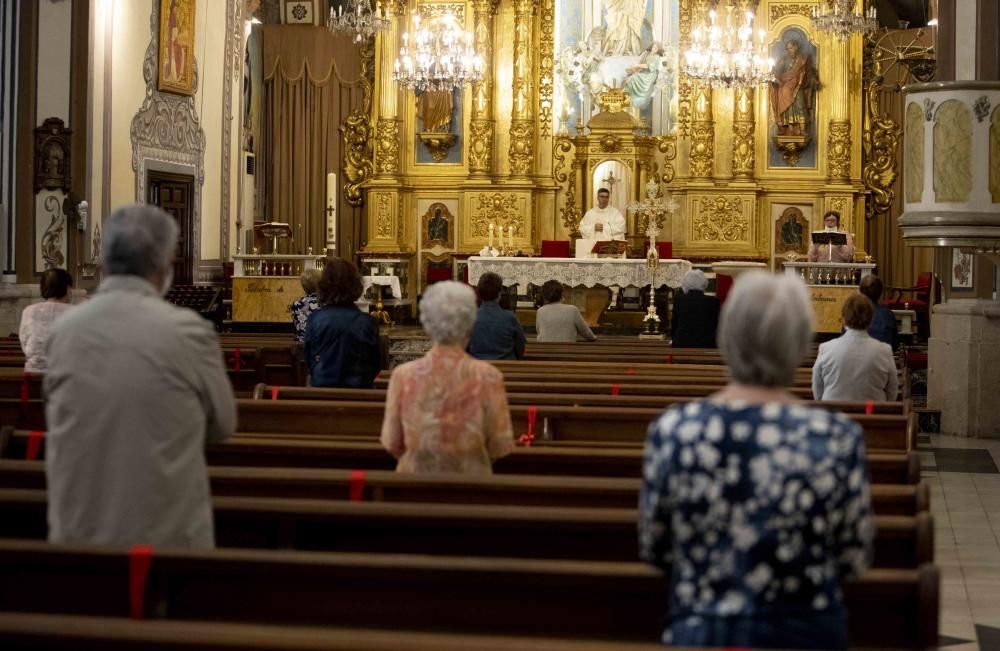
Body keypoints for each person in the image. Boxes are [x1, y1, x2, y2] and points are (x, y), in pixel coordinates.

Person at [640, 271, 874, 650]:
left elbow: (656, 548)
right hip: (804, 632)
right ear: (799, 344)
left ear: (726, 338)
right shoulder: (836, 438)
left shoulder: (675, 431)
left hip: (705, 629)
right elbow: (853, 556)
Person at [44, 203, 237, 549]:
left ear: (103, 264)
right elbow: (222, 424)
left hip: (77, 537)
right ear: (164, 267)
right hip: (167, 537)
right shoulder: (189, 332)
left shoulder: (65, 332)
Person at [381, 281, 515, 473]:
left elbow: (392, 443)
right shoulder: (489, 377)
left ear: (427, 327)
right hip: (472, 489)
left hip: (413, 490)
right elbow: (499, 446)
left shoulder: (403, 376)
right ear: (470, 325)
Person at [304, 258, 381, 388]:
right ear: (356, 285)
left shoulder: (315, 319)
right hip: (359, 396)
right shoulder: (367, 322)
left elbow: (310, 362)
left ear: (323, 285)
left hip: (321, 395)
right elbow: (375, 366)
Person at [813, 293, 898, 402]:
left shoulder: (825, 348)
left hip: (833, 414)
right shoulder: (885, 351)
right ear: (871, 320)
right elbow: (892, 390)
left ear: (843, 319)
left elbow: (818, 390)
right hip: (873, 415)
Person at [19, 268, 74, 374]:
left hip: (33, 373)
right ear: (67, 289)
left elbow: (25, 342)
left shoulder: (29, 311)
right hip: (64, 375)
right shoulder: (76, 312)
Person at [467, 272, 526, 360]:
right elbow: (520, 345)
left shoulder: (470, 317)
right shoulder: (510, 317)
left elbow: (464, 346)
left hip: (478, 367)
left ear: (479, 292)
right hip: (507, 368)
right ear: (499, 294)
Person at [769, 35, 818, 137]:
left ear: (796, 47)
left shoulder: (803, 59)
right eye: (787, 49)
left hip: (798, 87)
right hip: (785, 88)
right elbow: (775, 72)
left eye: (791, 48)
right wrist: (775, 79)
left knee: (800, 106)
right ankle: (790, 129)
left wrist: (813, 79)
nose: (789, 50)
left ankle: (802, 129)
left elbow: (809, 72)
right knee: (788, 109)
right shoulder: (784, 60)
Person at [670, 269, 720, 349]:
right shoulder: (713, 301)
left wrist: (674, 339)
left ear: (685, 284)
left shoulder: (679, 300)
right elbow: (716, 326)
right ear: (704, 283)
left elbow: (675, 324)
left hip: (681, 344)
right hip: (707, 345)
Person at [859, 274, 899, 350]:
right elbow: (895, 344)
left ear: (861, 292)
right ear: (880, 292)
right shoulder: (888, 314)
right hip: (882, 358)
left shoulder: (852, 314)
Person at [291, 268, 321, 342]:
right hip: (322, 343)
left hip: (303, 344)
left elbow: (297, 326)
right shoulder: (326, 302)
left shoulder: (297, 304)